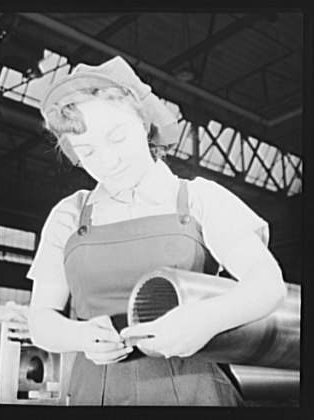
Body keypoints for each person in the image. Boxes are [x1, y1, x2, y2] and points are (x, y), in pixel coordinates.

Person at [27, 56, 287, 406]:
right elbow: (40, 322)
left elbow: (268, 284)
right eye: (87, 151)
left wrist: (205, 320)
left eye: (117, 137)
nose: (108, 162)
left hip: (196, 390)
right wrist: (80, 335)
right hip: (95, 394)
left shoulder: (198, 198)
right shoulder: (69, 214)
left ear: (144, 123)